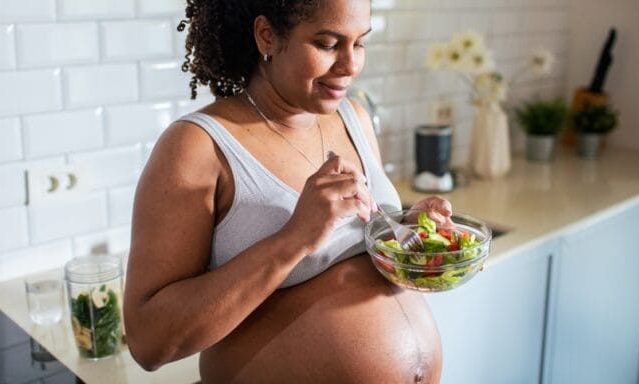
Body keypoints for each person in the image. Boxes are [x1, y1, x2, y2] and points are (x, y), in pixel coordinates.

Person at [123, 1, 453, 382]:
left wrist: (409, 233)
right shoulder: (198, 146)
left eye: (359, 43)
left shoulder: (354, 117)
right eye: (328, 44)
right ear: (267, 35)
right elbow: (148, 342)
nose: (351, 66)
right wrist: (295, 239)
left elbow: (362, 250)